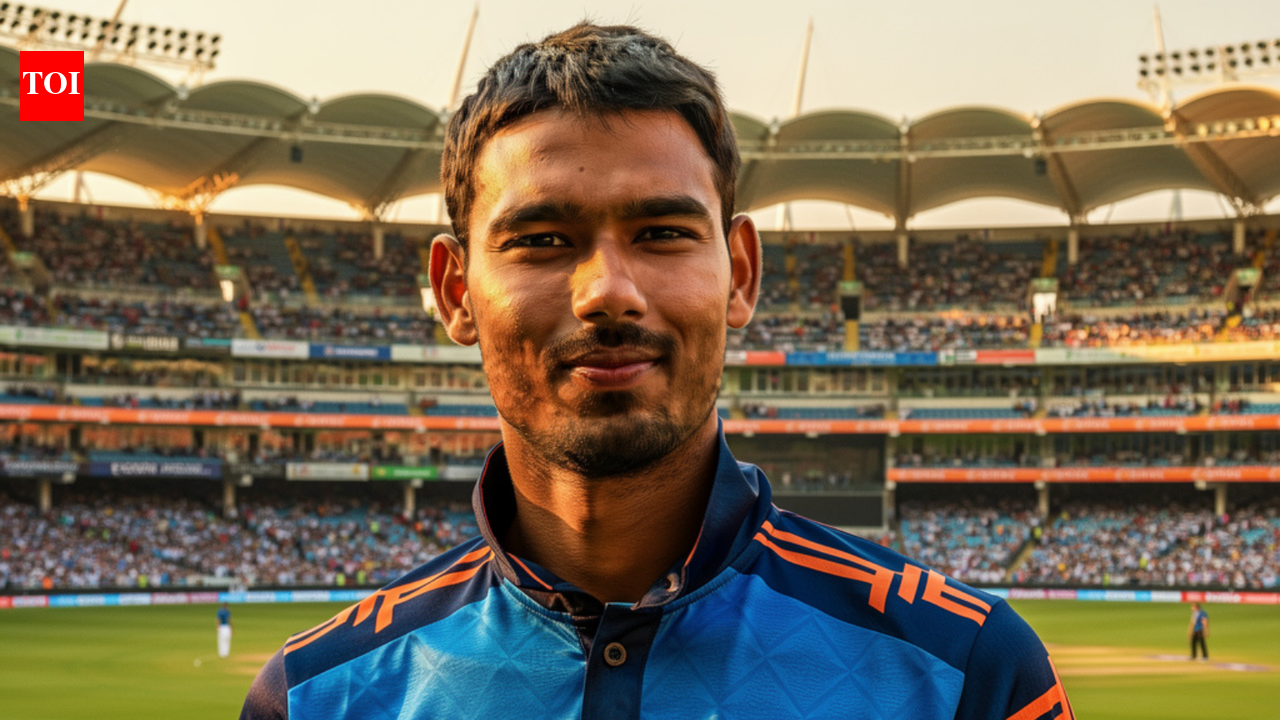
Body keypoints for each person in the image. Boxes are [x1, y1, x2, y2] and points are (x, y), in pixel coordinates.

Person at [241, 22, 1073, 720]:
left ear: (740, 274)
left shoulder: (970, 675)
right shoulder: (316, 698)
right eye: (541, 240)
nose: (608, 292)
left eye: (664, 234)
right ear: (456, 292)